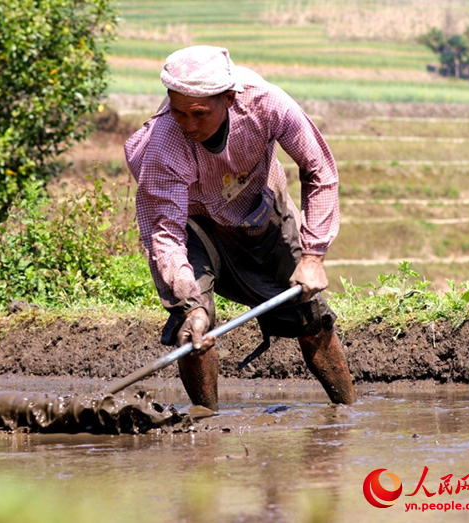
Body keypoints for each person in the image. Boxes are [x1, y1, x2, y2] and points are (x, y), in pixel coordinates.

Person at [123, 45, 355, 411]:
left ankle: (346, 414)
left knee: (312, 314)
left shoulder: (268, 104)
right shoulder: (164, 144)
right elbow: (165, 234)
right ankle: (205, 425)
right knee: (193, 328)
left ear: (229, 98)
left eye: (200, 114)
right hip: (194, 223)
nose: (189, 125)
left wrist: (313, 255)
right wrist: (191, 303)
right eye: (179, 112)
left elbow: (319, 170)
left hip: (260, 207)